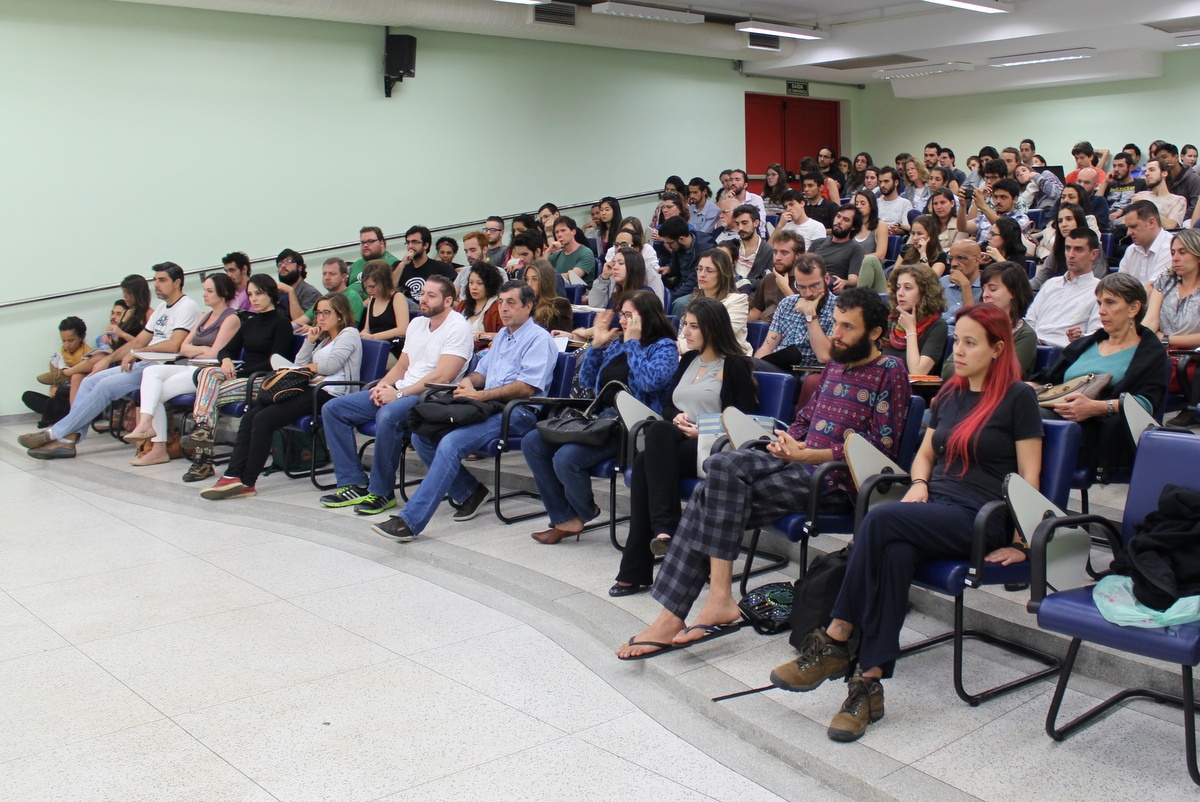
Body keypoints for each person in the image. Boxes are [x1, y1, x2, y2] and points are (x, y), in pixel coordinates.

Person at [770, 303, 1040, 742]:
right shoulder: (951, 394)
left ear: (998, 349)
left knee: (879, 520)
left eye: (972, 343)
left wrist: (1022, 542)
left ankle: (836, 639)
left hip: (980, 517)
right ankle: (867, 685)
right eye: (959, 341)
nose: (961, 351)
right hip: (934, 507)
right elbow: (927, 454)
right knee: (893, 552)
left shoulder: (1017, 397)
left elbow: (1030, 478)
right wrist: (917, 483)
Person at [616, 289, 911, 656]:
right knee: (721, 464)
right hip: (795, 462)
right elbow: (806, 418)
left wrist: (809, 455)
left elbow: (882, 449)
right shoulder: (835, 364)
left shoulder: (890, 372)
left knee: (710, 498)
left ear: (875, 333)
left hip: (833, 479)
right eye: (835, 323)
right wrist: (785, 440)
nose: (835, 334)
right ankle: (715, 601)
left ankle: (676, 614)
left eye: (847, 327)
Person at [370, 281, 558, 542]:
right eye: (501, 302)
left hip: (518, 413)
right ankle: (471, 491)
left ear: (528, 306)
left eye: (511, 303)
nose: (503, 308)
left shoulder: (539, 339)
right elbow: (482, 372)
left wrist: (480, 395)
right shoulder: (504, 335)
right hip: (487, 406)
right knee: (422, 436)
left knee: (451, 441)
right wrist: (469, 381)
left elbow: (526, 388)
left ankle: (410, 521)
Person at [610, 297, 759, 595]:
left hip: (714, 447)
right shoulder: (689, 360)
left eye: (693, 326)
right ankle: (665, 530)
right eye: (684, 325)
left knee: (644, 462)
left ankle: (638, 565)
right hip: (677, 442)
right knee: (658, 435)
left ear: (712, 329)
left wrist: (702, 429)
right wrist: (675, 417)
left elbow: (742, 418)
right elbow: (668, 405)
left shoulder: (735, 366)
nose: (686, 332)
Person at [523, 291, 678, 545]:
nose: (624, 321)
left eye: (630, 315)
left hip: (630, 426)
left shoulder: (664, 347)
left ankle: (582, 513)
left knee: (566, 458)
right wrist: (596, 346)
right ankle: (564, 517)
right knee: (532, 442)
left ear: (647, 316)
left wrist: (633, 345)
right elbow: (588, 384)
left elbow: (650, 384)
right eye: (623, 314)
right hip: (599, 419)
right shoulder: (618, 342)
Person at [319, 276, 474, 515]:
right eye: (423, 293)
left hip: (433, 397)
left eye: (431, 296)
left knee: (388, 415)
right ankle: (353, 483)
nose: (423, 299)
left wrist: (398, 393)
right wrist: (381, 387)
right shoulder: (417, 324)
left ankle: (382, 492)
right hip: (402, 389)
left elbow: (443, 377)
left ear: (448, 301)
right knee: (334, 409)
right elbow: (402, 366)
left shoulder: (458, 326)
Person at [20, 263, 201, 460]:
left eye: (162, 280)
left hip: (162, 366)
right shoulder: (161, 308)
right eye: (155, 280)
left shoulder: (187, 306)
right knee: (90, 381)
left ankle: (54, 434)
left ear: (177, 282)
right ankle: (68, 441)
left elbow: (174, 345)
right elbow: (140, 339)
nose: (156, 284)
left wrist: (137, 351)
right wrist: (108, 359)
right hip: (144, 362)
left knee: (105, 386)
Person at [202, 293, 361, 500]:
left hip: (330, 393)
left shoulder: (349, 333)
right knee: (251, 416)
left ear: (340, 315)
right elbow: (298, 364)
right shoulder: (323, 340)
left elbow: (331, 366)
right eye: (318, 313)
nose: (320, 317)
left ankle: (248, 482)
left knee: (264, 418)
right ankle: (232, 474)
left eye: (326, 313)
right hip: (308, 388)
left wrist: (304, 369)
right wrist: (310, 341)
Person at [1033, 272, 1169, 476]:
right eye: (1099, 303)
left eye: (1110, 303)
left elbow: (1145, 404)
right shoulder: (1086, 343)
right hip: (1055, 412)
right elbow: (1049, 380)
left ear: (1134, 308)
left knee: (1025, 417)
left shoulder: (1150, 353)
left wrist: (1095, 407)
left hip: (1095, 430)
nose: (1101, 311)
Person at [181, 273, 295, 482]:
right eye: (250, 294)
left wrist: (239, 373)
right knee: (208, 374)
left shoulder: (281, 323)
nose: (254, 299)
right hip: (243, 376)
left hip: (263, 379)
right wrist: (225, 361)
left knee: (207, 396)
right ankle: (203, 432)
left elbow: (275, 362)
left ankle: (202, 460)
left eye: (259, 294)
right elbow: (226, 350)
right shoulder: (250, 322)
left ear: (271, 294)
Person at [123, 274, 241, 466]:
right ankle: (147, 428)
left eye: (209, 291)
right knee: (151, 373)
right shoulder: (204, 316)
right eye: (204, 290)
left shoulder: (231, 319)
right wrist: (200, 350)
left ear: (223, 293)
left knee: (155, 393)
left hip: (207, 373)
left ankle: (158, 447)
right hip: (190, 366)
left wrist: (198, 351)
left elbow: (215, 354)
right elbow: (182, 347)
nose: (204, 295)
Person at [943, 261, 1036, 378]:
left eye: (993, 289)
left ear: (1013, 293)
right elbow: (947, 371)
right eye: (983, 288)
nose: (985, 295)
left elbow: (1006, 375)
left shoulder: (1025, 335)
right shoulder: (974, 326)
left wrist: (969, 367)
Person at [1146, 230, 1200, 426]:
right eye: (1173, 252)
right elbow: (1151, 321)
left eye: (1183, 252)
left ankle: (1191, 409)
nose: (1175, 258)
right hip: (1163, 349)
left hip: (1194, 354)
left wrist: (1167, 339)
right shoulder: (1165, 281)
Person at [753, 253, 834, 372]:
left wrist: (810, 315)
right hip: (780, 365)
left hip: (809, 371)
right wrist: (754, 369)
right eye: (801, 287)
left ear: (826, 279)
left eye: (814, 286)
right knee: (739, 364)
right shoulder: (787, 304)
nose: (808, 294)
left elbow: (824, 356)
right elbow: (767, 347)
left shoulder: (839, 308)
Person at [675, 249, 750, 356]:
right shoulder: (695, 301)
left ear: (723, 274)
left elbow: (720, 336)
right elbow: (684, 336)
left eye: (709, 271)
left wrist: (677, 348)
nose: (702, 274)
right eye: (699, 269)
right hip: (694, 356)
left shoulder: (737, 301)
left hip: (727, 359)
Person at [22, 316, 91, 429]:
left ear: (81, 337)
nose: (67, 345)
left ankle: (57, 414)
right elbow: (54, 384)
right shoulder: (57, 358)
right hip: (60, 400)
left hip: (80, 400)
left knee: (62, 393)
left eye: (71, 340)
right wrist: (53, 389)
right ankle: (60, 415)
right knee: (28, 396)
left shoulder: (91, 356)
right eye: (63, 341)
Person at [883, 263, 948, 376]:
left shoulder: (938, 325)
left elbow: (918, 372)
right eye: (898, 288)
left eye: (908, 288)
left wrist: (910, 330)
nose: (900, 293)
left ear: (925, 292)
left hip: (910, 389)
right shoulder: (891, 319)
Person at [1032, 202, 1106, 289]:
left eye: (1069, 219)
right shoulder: (1058, 246)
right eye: (1060, 221)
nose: (1063, 224)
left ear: (1079, 220)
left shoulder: (1092, 245)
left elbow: (1094, 282)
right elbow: (1040, 278)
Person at [600, 221, 667, 305]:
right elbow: (595, 305)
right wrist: (603, 278)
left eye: (624, 245)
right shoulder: (613, 270)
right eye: (616, 245)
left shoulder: (650, 275)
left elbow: (657, 309)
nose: (619, 249)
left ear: (636, 249)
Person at [292, 258, 364, 333]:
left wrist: (314, 329)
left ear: (343, 277)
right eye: (324, 273)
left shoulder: (352, 297)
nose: (326, 277)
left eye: (332, 274)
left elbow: (348, 328)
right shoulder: (324, 299)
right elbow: (301, 321)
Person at [659, 216, 716, 310]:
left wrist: (670, 299)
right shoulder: (679, 246)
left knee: (677, 303)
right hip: (679, 285)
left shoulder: (704, 251)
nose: (668, 246)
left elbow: (692, 282)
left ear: (681, 239)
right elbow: (676, 265)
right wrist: (669, 269)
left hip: (696, 289)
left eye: (670, 243)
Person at [748, 230, 802, 325]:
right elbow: (756, 312)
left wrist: (785, 288)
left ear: (798, 256)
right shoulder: (768, 279)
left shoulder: (806, 282)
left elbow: (803, 316)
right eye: (775, 252)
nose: (777, 257)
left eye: (784, 253)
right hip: (764, 330)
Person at [394, 225, 456, 306]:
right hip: (405, 311)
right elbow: (388, 290)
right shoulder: (399, 266)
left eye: (414, 242)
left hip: (431, 311)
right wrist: (402, 264)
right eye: (408, 242)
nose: (410, 246)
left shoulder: (442, 268)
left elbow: (455, 295)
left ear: (426, 245)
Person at [359, 260, 410, 358]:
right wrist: (362, 335)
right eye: (366, 287)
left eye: (372, 286)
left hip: (392, 347)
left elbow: (402, 330)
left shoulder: (397, 297)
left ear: (383, 282)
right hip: (374, 345)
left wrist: (373, 337)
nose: (369, 291)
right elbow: (367, 329)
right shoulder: (373, 299)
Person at [1119, 200, 1174, 287]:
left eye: (1133, 226)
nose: (1128, 233)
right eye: (1128, 228)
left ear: (1151, 223)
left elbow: (1155, 288)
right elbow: (1120, 285)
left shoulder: (1171, 248)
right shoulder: (1131, 250)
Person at [811, 205, 865, 293]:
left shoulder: (855, 249)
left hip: (831, 287)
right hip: (808, 281)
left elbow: (854, 280)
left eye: (846, 220)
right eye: (838, 216)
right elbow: (803, 264)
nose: (839, 221)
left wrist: (844, 282)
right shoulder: (818, 243)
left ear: (853, 227)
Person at [457, 262, 503, 351]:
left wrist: (485, 336)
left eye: (479, 283)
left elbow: (505, 334)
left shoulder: (498, 307)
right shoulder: (462, 305)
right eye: (471, 282)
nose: (474, 287)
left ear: (489, 285)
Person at [588, 246, 651, 311]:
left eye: (621, 263)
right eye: (613, 263)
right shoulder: (615, 296)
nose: (615, 267)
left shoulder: (645, 295)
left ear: (633, 267)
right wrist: (604, 277)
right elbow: (595, 307)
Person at [1131, 159, 1186, 229]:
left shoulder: (1178, 200)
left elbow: (1171, 226)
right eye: (1145, 171)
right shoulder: (1140, 195)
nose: (1147, 174)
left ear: (1164, 173)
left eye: (1152, 170)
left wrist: (1146, 204)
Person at [730, 204, 774, 292]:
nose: (740, 228)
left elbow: (767, 281)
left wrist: (745, 283)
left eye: (744, 223)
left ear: (756, 223)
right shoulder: (731, 246)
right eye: (737, 224)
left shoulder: (768, 252)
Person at [524, 259, 573, 332]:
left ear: (545, 281)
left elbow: (561, 336)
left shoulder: (559, 305)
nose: (529, 284)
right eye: (526, 279)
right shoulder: (523, 304)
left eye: (534, 279)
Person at [895, 214, 949, 278]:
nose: (915, 238)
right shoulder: (906, 249)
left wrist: (923, 254)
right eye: (913, 233)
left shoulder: (940, 256)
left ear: (931, 235)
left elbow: (929, 281)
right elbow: (894, 276)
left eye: (919, 234)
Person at [547, 215, 595, 286]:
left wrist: (548, 278)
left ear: (573, 231)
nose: (559, 235)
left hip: (580, 293)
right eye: (557, 232)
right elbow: (542, 270)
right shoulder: (557, 255)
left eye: (563, 230)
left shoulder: (586, 253)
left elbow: (572, 277)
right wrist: (548, 251)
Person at [277, 249, 321, 314]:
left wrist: (290, 291)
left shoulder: (311, 293)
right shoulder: (278, 293)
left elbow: (301, 322)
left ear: (300, 268)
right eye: (280, 263)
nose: (283, 266)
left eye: (288, 261)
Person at [852, 190, 889, 263]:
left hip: (871, 266)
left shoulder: (880, 226)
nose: (858, 206)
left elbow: (881, 255)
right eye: (856, 203)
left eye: (863, 203)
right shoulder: (852, 225)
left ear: (871, 205)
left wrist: (858, 258)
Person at [928, 188, 968, 253]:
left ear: (952, 203)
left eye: (942, 202)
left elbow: (957, 250)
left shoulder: (960, 224)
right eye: (935, 204)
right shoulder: (927, 223)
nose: (939, 207)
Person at [875, 167, 913, 235]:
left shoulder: (905, 203)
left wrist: (896, 229)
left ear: (896, 182)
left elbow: (908, 228)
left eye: (886, 181)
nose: (882, 185)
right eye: (880, 182)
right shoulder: (875, 203)